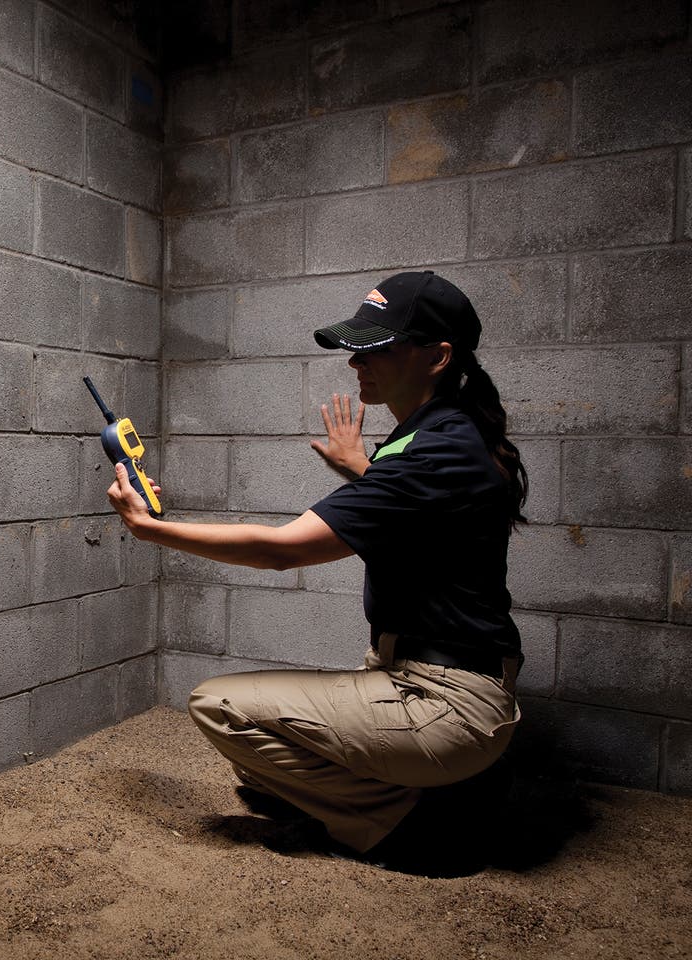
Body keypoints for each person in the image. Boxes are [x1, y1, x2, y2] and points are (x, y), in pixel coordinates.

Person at [106, 270, 528, 869]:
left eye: (378, 346)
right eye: (356, 346)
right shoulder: (437, 434)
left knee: (216, 707)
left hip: (445, 702)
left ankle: (408, 827)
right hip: (424, 675)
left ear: (437, 356)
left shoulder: (435, 449)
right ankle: (433, 786)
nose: (357, 361)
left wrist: (150, 528)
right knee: (263, 778)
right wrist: (365, 468)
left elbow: (283, 550)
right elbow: (425, 517)